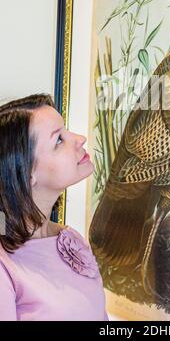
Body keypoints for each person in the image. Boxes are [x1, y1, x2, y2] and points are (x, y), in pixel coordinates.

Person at [0, 94, 108, 321]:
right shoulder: (5, 268)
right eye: (58, 139)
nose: (80, 138)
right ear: (26, 173)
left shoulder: (71, 240)